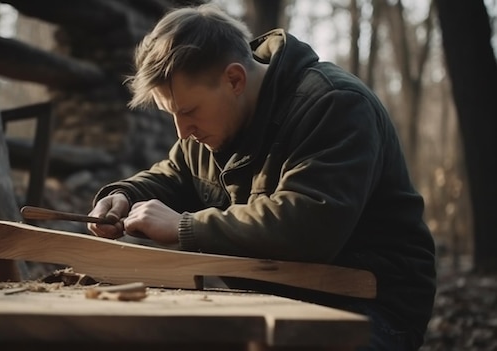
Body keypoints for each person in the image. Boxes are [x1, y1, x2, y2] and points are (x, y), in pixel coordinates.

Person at [88, 4, 436, 350]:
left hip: (369, 307)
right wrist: (126, 195)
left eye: (188, 111)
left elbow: (307, 227)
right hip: (272, 294)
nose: (182, 132)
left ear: (235, 79)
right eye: (172, 115)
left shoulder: (335, 104)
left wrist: (186, 227)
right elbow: (176, 175)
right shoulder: (210, 126)